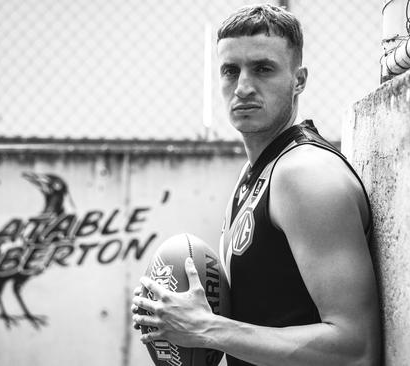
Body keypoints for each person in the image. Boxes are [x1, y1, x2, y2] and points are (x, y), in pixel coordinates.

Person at [131, 4, 381, 366]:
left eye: (263, 68)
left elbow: (356, 348)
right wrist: (168, 307)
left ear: (299, 79)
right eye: (230, 71)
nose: (243, 86)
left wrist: (205, 328)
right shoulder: (255, 174)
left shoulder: (305, 175)